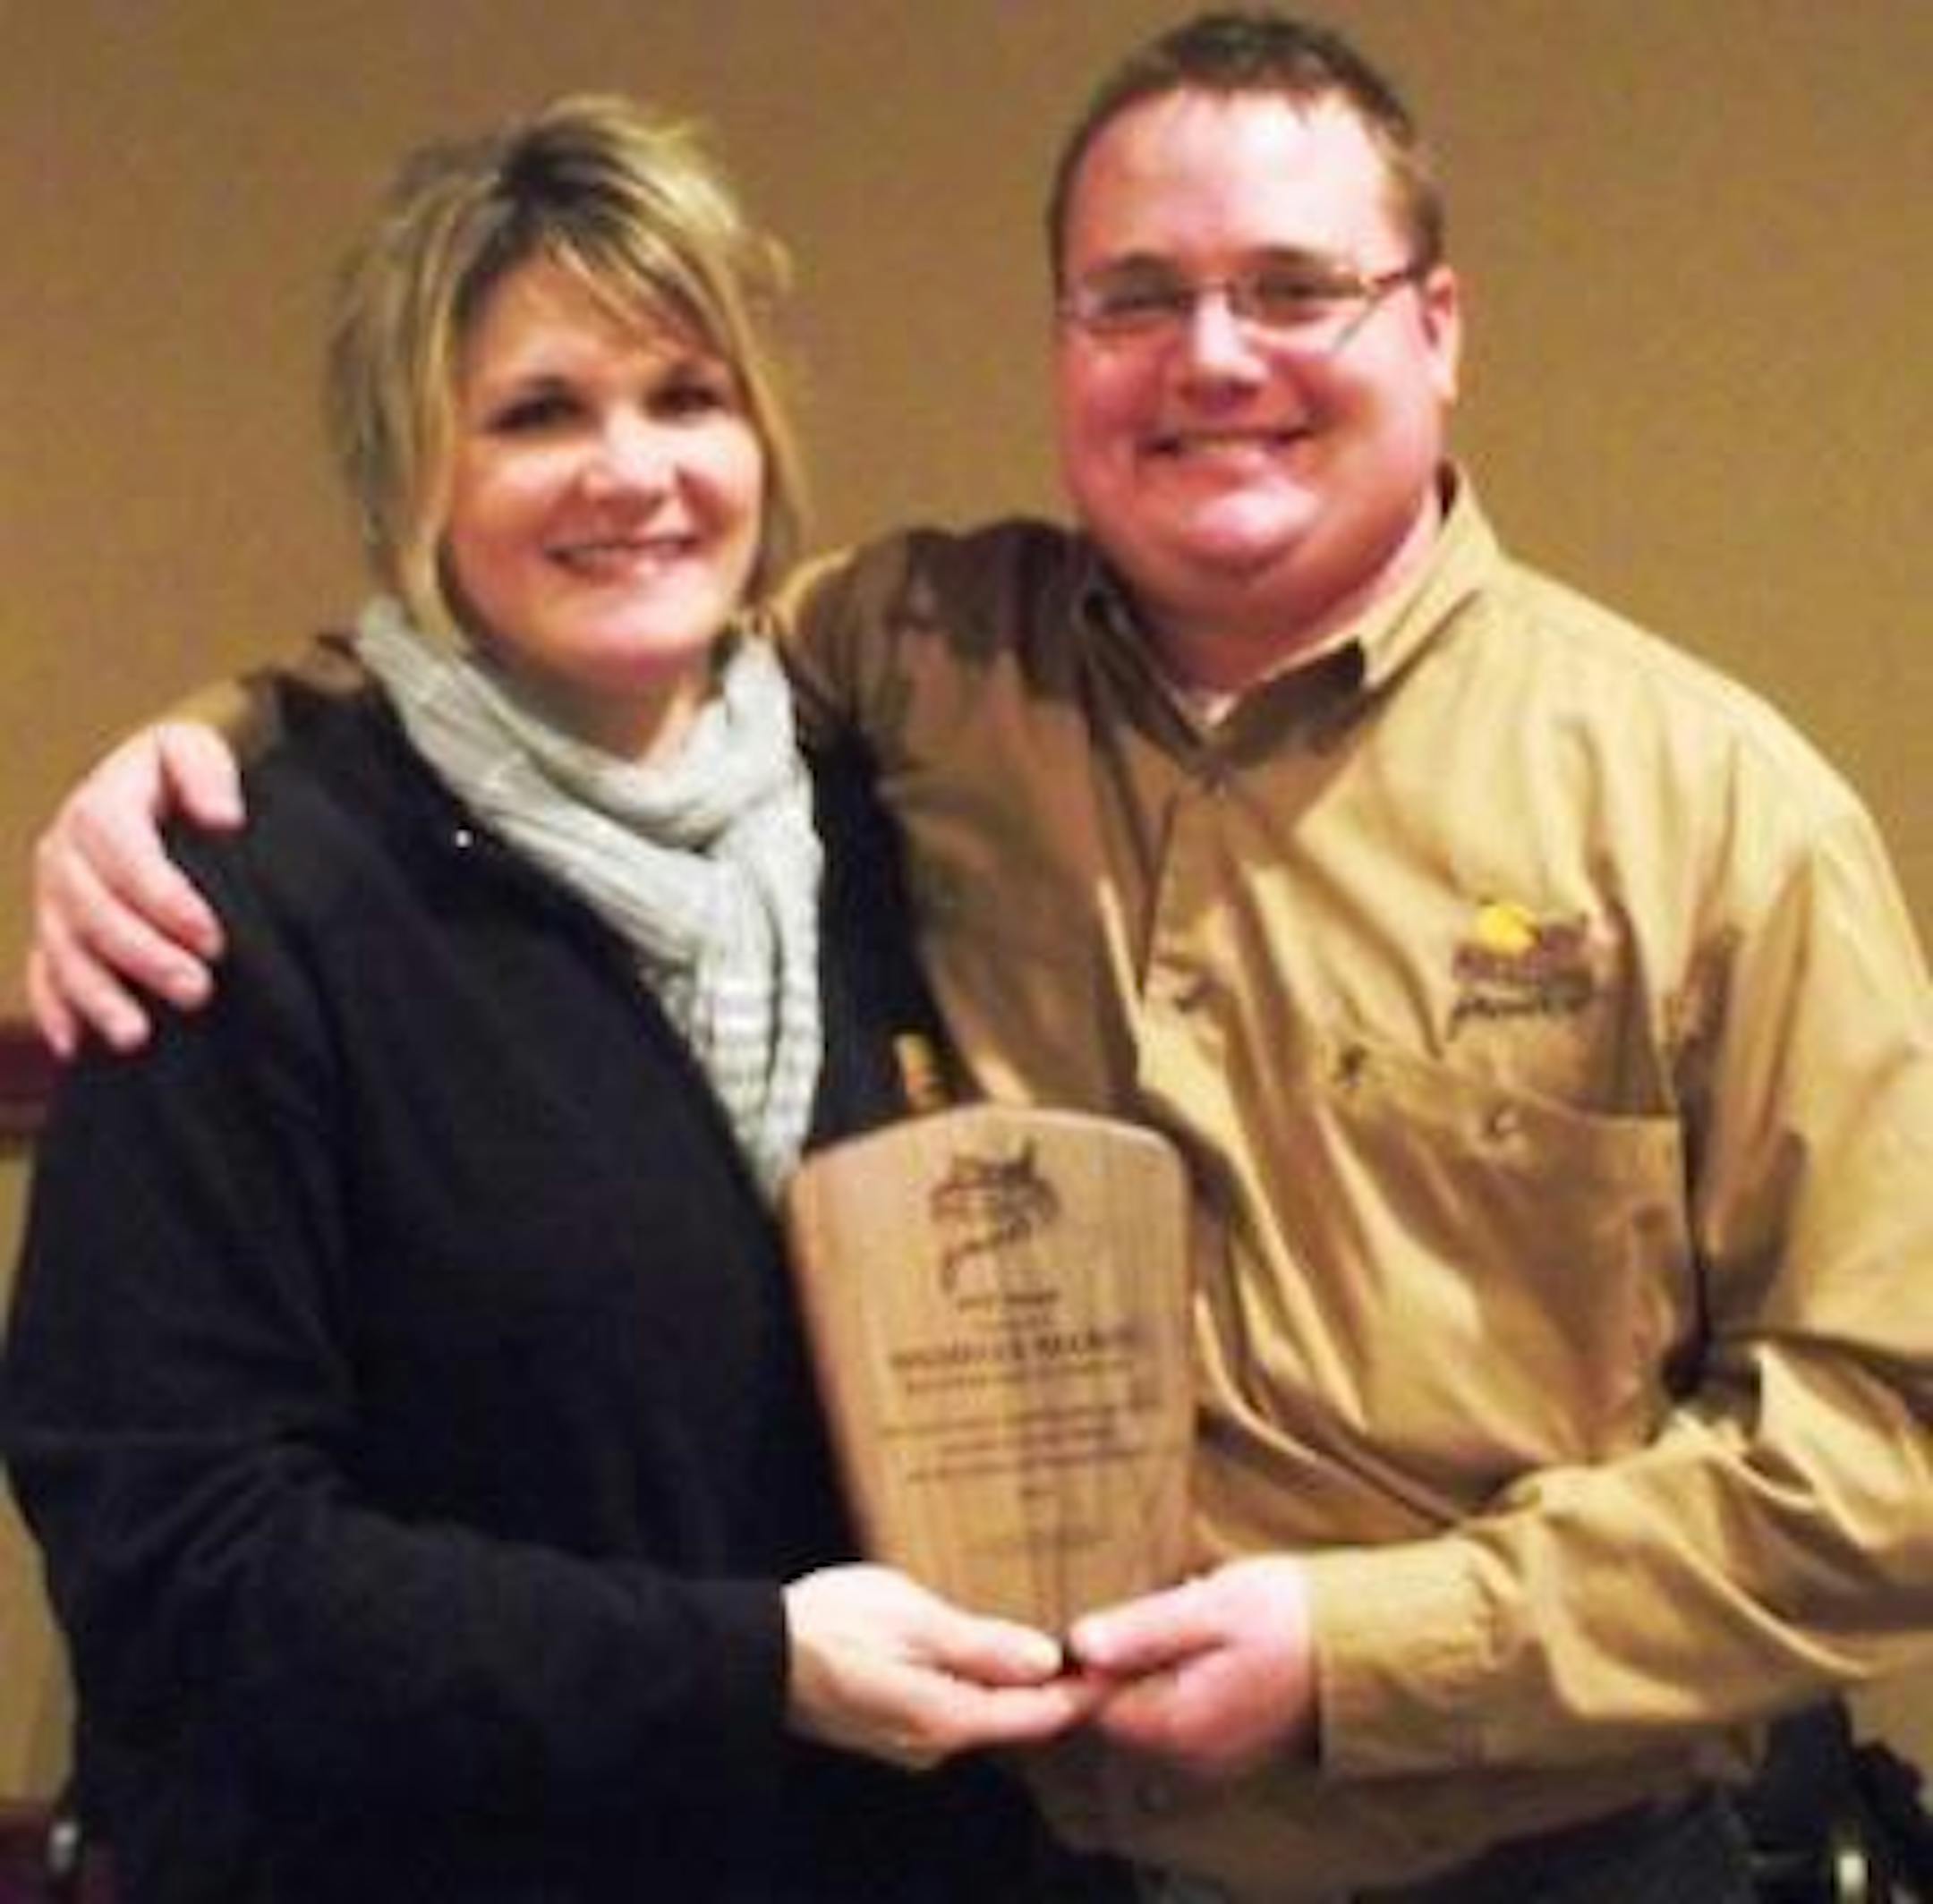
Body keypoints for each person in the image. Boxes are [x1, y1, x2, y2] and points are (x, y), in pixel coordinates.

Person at [21, 11, 1933, 1901]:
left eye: (1293, 288)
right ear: (1064, 343)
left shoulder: (1715, 814)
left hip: (1538, 1867)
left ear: (1436, 324)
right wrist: (210, 743)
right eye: (1135, 297)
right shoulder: (914, 667)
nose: (1212, 357)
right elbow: (552, 652)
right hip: (1015, 1851)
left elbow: (1892, 1451)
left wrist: (1372, 1651)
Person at [0, 93, 1108, 1904]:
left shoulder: (888, 830)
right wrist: (751, 1666)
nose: (633, 470)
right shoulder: (237, 904)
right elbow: (180, 1564)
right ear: (411, 468)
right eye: (538, 413)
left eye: (688, 395)